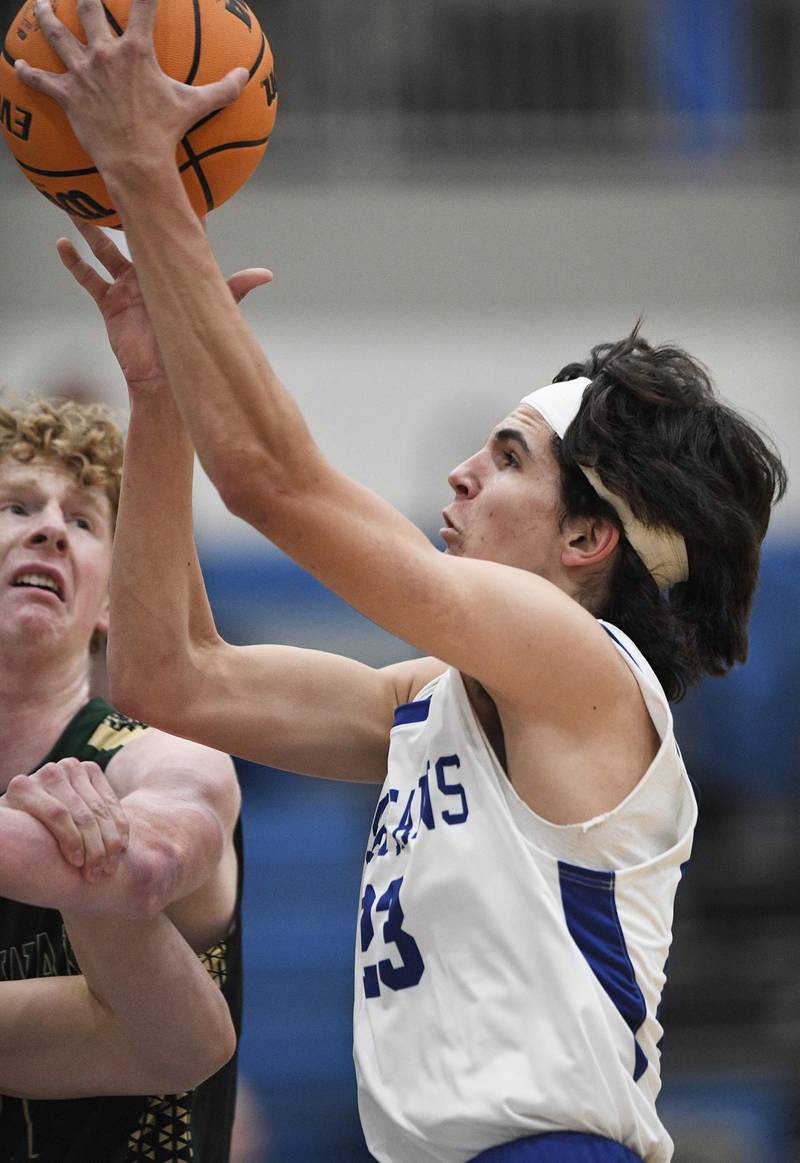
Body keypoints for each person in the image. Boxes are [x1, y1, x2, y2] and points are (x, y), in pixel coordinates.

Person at [15, 3, 788, 1160]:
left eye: (508, 456)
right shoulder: (434, 701)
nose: (460, 472)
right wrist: (161, 396)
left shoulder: (582, 669)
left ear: (588, 539)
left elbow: (275, 483)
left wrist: (144, 172)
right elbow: (171, 675)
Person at [0, 392, 245, 1163]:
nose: (48, 528)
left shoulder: (160, 755)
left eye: (81, 520)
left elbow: (156, 861)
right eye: (15, 505)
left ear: (110, 598)